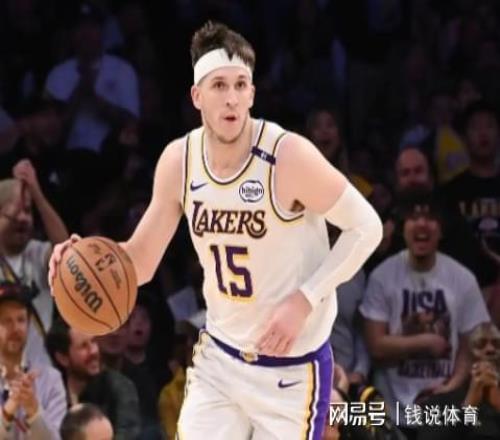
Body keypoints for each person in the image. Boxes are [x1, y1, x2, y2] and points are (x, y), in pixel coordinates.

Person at [50, 21, 383, 439]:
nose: (231, 98)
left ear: (252, 94)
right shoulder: (180, 161)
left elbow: (366, 227)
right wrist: (83, 261)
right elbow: (140, 263)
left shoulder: (288, 156)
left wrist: (305, 298)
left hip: (291, 369)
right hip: (220, 360)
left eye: (240, 85)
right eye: (219, 85)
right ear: (197, 96)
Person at [360, 192, 490, 440]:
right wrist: (425, 342)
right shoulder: (382, 276)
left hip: (444, 410)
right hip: (392, 412)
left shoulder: (462, 279)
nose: (421, 224)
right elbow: (375, 346)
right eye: (413, 217)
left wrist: (451, 386)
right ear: (403, 229)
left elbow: (470, 345)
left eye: (430, 218)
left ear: (441, 230)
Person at [46, 320, 141, 440]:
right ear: (62, 358)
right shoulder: (51, 391)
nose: (94, 351)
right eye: (84, 346)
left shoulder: (119, 387)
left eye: (94, 341)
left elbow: (128, 433)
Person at [0, 284, 67, 439]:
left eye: (21, 320)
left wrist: (34, 410)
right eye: (6, 321)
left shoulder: (51, 379)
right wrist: (8, 410)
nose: (15, 328)